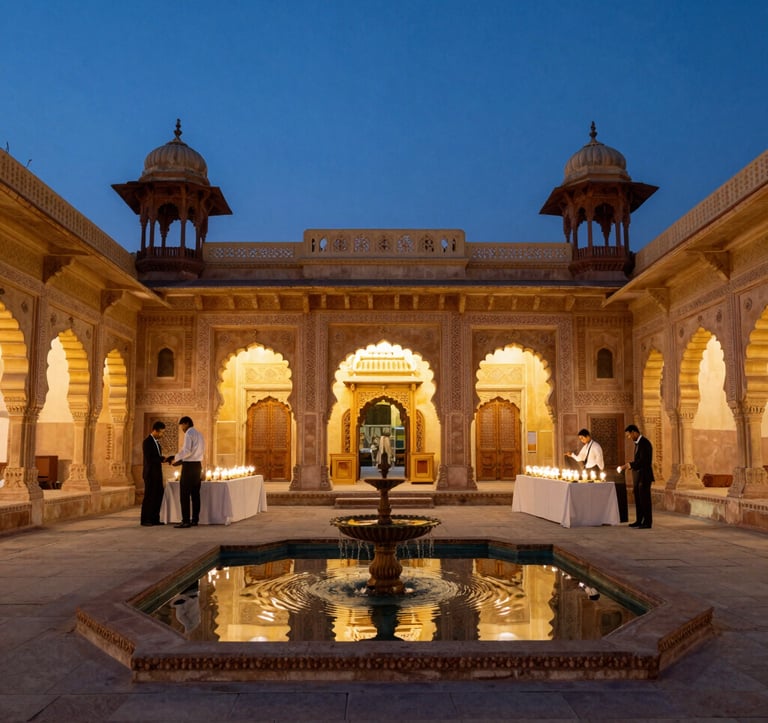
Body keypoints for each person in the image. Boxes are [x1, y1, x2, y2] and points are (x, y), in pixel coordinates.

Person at [170, 416, 205, 528]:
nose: (182, 428)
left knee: (184, 494)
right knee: (195, 495)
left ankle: (186, 521)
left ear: (186, 423)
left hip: (189, 467)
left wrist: (175, 457)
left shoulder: (189, 433)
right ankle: (195, 519)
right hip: (197, 466)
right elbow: (198, 452)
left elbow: (187, 451)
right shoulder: (199, 435)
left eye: (182, 426)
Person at [619, 424, 654, 528]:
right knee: (638, 499)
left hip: (644, 476)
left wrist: (629, 465)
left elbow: (644, 461)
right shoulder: (638, 443)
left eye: (629, 435)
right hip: (638, 476)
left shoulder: (645, 443)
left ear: (634, 432)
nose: (629, 438)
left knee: (645, 500)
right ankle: (639, 520)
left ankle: (647, 522)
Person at [140, 421, 168, 526]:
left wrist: (164, 459)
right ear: (155, 430)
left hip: (157, 473)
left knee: (158, 495)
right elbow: (149, 458)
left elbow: (156, 457)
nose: (161, 435)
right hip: (150, 474)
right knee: (149, 496)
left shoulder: (157, 443)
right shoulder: (147, 442)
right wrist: (161, 459)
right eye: (161, 432)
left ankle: (155, 518)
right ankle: (145, 520)